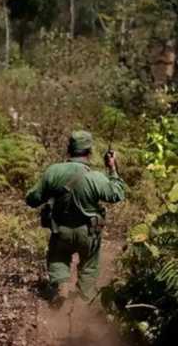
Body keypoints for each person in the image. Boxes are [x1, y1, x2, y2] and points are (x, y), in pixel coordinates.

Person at [25, 130, 126, 304]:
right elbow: (117, 194)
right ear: (90, 152)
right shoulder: (96, 177)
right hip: (88, 233)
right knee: (88, 267)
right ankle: (83, 302)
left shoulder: (53, 171)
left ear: (68, 149)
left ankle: (61, 287)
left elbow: (32, 199)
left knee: (58, 259)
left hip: (61, 231)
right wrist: (112, 169)